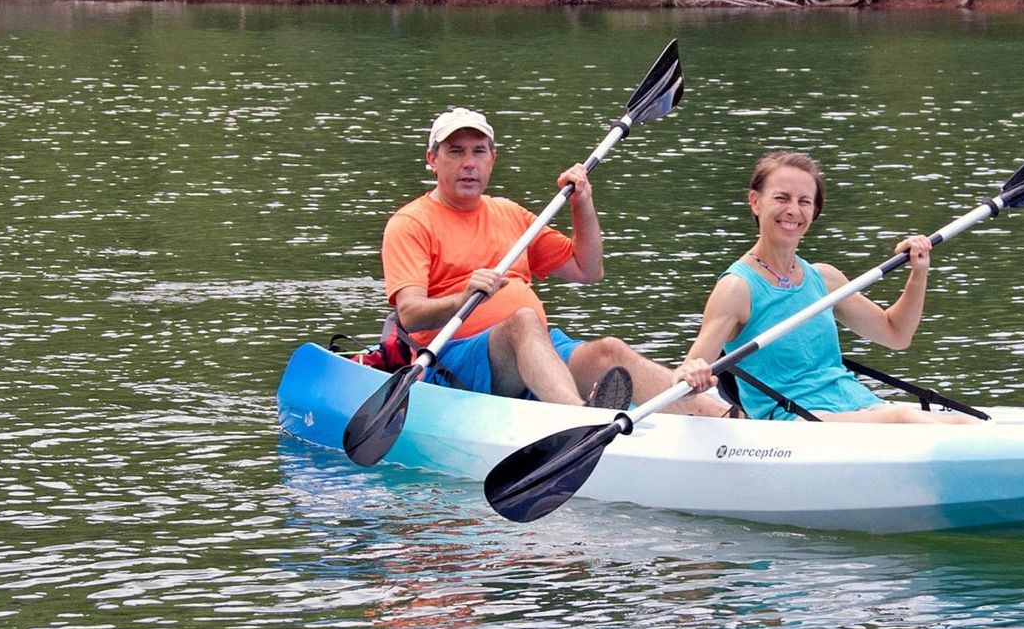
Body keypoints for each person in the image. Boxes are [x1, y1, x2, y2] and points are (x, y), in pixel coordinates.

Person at [380, 106, 727, 415]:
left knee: (609, 351)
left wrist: (582, 204)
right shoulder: (410, 223)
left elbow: (587, 269)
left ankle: (725, 419)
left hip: (537, 347)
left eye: (478, 152)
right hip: (453, 360)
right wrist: (462, 298)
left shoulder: (510, 213)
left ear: (492, 160)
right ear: (432, 159)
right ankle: (581, 417)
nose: (468, 163)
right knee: (523, 322)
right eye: (455, 152)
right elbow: (409, 315)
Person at [674, 150, 979, 425]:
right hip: (794, 421)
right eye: (782, 198)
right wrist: (693, 374)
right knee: (902, 418)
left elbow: (896, 334)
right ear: (755, 202)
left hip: (855, 403)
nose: (793, 210)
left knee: (965, 424)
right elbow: (684, 382)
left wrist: (918, 274)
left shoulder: (825, 278)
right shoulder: (737, 288)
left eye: (804, 201)